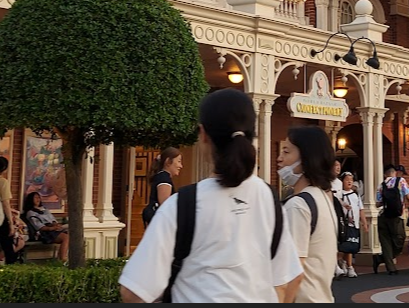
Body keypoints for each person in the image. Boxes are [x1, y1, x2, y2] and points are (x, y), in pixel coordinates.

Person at [119, 88, 303, 303]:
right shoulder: (269, 199)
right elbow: (290, 278)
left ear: (203, 134)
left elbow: (133, 292)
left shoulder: (182, 205)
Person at [279, 126, 337, 303]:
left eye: (286, 152)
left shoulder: (298, 205)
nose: (279, 158)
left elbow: (293, 271)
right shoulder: (322, 198)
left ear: (306, 159)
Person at [373, 164, 409, 275]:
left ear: (385, 174)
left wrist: (387, 201)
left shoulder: (381, 185)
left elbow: (377, 204)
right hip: (397, 216)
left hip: (383, 216)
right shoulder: (401, 181)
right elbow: (408, 196)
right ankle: (383, 260)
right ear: (394, 172)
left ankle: (389, 267)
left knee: (386, 242)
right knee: (400, 239)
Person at [334, 171, 367, 278]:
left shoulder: (355, 194)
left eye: (351, 180)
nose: (349, 182)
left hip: (354, 225)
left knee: (351, 246)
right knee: (343, 245)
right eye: (347, 180)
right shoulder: (339, 195)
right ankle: (344, 264)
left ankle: (347, 265)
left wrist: (364, 223)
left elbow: (361, 209)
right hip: (344, 225)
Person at [22, 191, 69, 262]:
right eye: (35, 198)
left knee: (69, 236)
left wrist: (55, 225)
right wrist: (52, 228)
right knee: (66, 238)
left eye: (39, 197)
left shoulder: (44, 209)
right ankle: (63, 259)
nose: (38, 199)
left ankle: (61, 258)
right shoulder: (31, 213)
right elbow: (39, 226)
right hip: (45, 232)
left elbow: (52, 220)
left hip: (53, 229)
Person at [142, 147, 182, 228]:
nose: (181, 166)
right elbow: (165, 205)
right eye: (179, 161)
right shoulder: (164, 178)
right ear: (168, 161)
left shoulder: (162, 176)